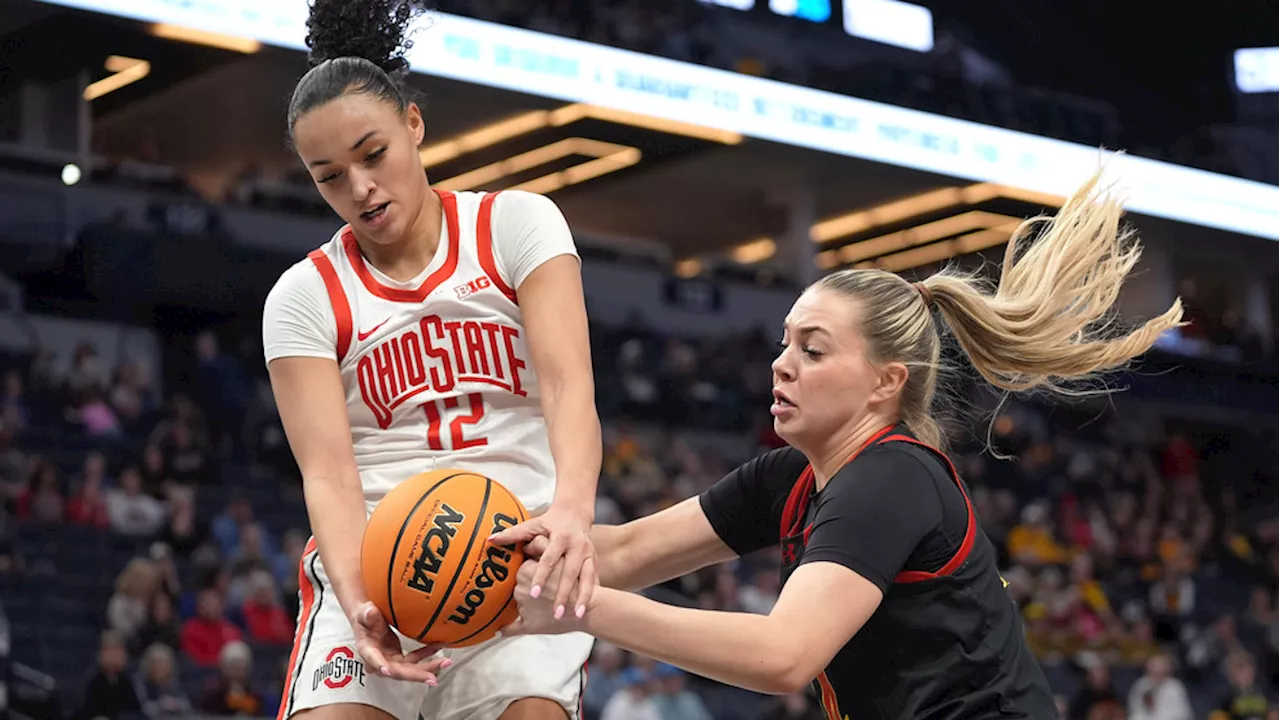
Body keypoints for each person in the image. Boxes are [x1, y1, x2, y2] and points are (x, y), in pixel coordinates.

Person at [496, 169, 1185, 719]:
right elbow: (624, 551)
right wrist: (500, 559)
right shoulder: (791, 478)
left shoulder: (893, 478)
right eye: (785, 342)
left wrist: (577, 609)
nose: (782, 364)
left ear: (887, 383)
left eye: (814, 349)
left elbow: (783, 655)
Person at [262, 0, 601, 718]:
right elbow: (328, 473)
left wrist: (572, 510)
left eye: (372, 154)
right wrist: (358, 600)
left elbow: (570, 388)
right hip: (376, 569)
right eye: (329, 176)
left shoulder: (516, 224)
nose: (359, 188)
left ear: (413, 125)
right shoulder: (303, 295)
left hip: (517, 562)